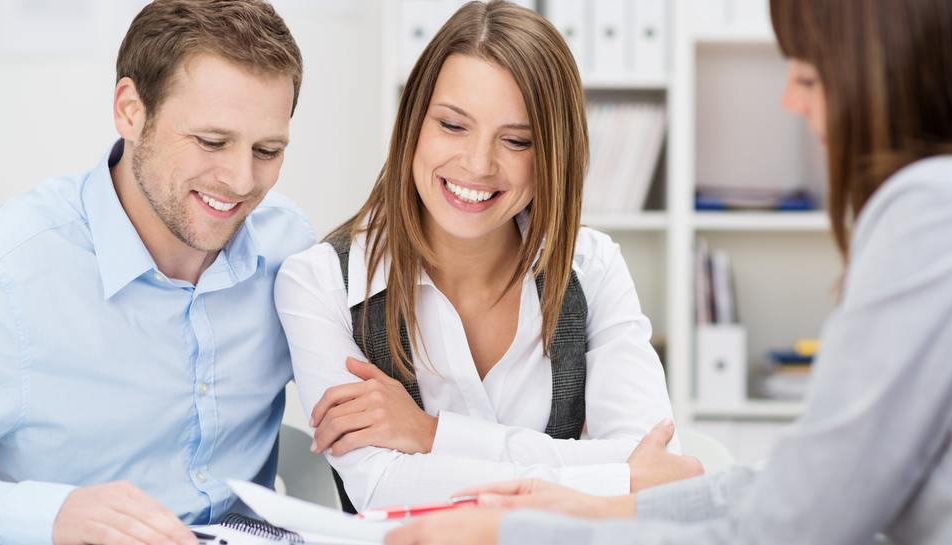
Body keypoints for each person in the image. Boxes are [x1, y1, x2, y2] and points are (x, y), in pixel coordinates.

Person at [384, 0, 952, 543]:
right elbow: (806, 482)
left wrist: (514, 533)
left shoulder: (934, 210)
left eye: (811, 74)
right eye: (453, 124)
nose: (790, 99)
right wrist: (608, 505)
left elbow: (793, 522)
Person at [273, 0, 700, 514]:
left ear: (552, 156)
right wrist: (611, 478)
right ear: (414, 126)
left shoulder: (591, 267)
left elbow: (658, 463)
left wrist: (433, 435)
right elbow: (381, 486)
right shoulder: (319, 282)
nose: (478, 164)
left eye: (517, 140)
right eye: (453, 126)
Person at [0, 1, 314, 544]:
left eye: (268, 150)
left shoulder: (287, 245)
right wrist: (52, 516)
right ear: (130, 111)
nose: (239, 179)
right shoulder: (2, 283)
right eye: (211, 142)